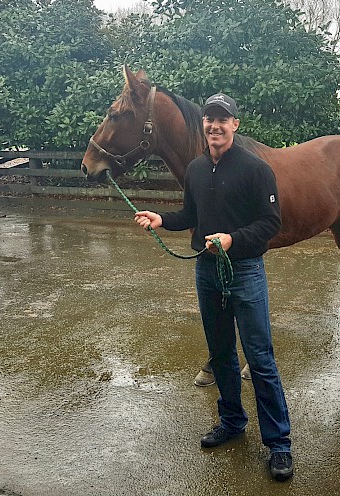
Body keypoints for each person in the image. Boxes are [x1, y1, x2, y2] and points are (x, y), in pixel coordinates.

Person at [135, 93, 293, 481]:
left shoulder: (256, 170)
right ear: (203, 125)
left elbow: (271, 223)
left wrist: (233, 241)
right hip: (206, 272)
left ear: (235, 125)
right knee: (221, 352)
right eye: (210, 119)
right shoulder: (195, 169)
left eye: (223, 120)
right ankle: (232, 421)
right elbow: (192, 214)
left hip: (245, 272)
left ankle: (279, 444)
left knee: (259, 357)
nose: (215, 126)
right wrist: (162, 219)